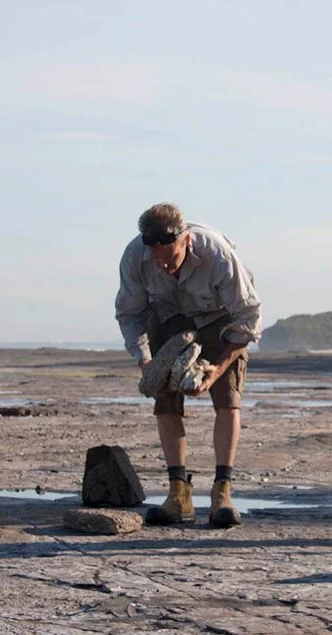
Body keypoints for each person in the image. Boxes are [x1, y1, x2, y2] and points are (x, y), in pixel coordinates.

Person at [115, 203, 261, 528]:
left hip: (220, 316)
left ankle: (222, 492)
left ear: (187, 241)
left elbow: (248, 317)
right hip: (167, 315)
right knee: (164, 398)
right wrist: (147, 363)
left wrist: (218, 369)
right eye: (157, 260)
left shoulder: (218, 255)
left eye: (170, 258)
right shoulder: (134, 257)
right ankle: (178, 494)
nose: (163, 266)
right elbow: (129, 314)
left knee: (227, 398)